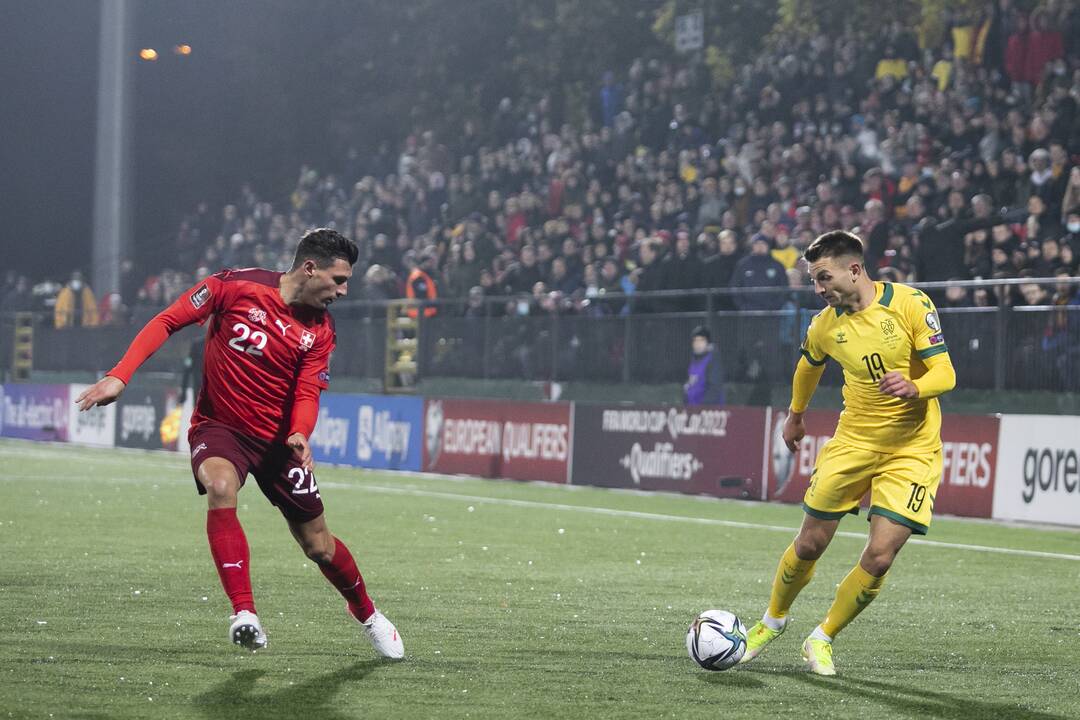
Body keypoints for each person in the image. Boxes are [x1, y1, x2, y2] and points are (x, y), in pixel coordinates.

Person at [74, 229, 404, 658]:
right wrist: (121, 374)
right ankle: (244, 614)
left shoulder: (320, 330)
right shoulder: (233, 286)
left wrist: (301, 432)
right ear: (310, 268)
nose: (342, 291)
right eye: (338, 280)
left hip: (280, 443)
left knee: (319, 546)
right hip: (220, 428)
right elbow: (168, 319)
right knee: (221, 487)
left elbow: (308, 390)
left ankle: (367, 614)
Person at [739, 230, 956, 676]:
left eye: (823, 278)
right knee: (811, 542)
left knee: (880, 556)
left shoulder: (912, 304)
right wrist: (795, 415)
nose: (818, 289)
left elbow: (946, 373)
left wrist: (915, 386)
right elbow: (807, 366)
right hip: (853, 441)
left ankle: (822, 638)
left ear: (854, 269)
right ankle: (771, 622)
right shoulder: (825, 325)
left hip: (911, 449)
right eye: (814, 281)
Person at [684, 326, 725, 406]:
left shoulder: (713, 359)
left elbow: (714, 389)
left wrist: (702, 409)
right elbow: (690, 384)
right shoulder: (694, 361)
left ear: (708, 343)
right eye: (695, 340)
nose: (698, 344)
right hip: (693, 411)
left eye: (702, 340)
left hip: (708, 413)